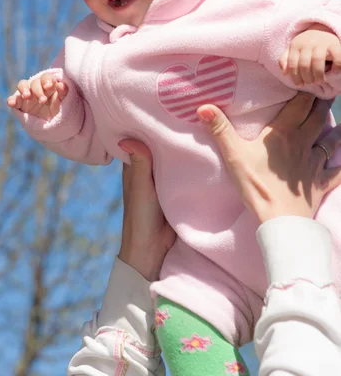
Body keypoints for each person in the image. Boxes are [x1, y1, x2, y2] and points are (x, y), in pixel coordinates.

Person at [7, 0, 341, 373]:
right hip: (206, 253)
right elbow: (87, 138)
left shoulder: (239, 5)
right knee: (177, 313)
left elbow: (316, 13)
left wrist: (315, 41)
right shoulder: (90, 51)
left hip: (312, 201)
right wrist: (52, 109)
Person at [68, 93, 341, 375]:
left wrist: (137, 269)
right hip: (299, 221)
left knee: (178, 313)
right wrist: (290, 227)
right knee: (182, 317)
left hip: (214, 255)